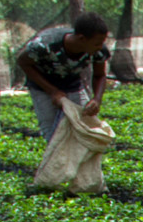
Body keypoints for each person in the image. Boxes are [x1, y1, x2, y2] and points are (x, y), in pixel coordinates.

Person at [17, 12, 113, 143]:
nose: (100, 47)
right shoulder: (44, 45)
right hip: (43, 86)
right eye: (97, 43)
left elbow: (99, 75)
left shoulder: (99, 51)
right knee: (53, 134)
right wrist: (52, 91)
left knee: (85, 126)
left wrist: (97, 99)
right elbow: (23, 62)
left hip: (72, 84)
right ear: (82, 39)